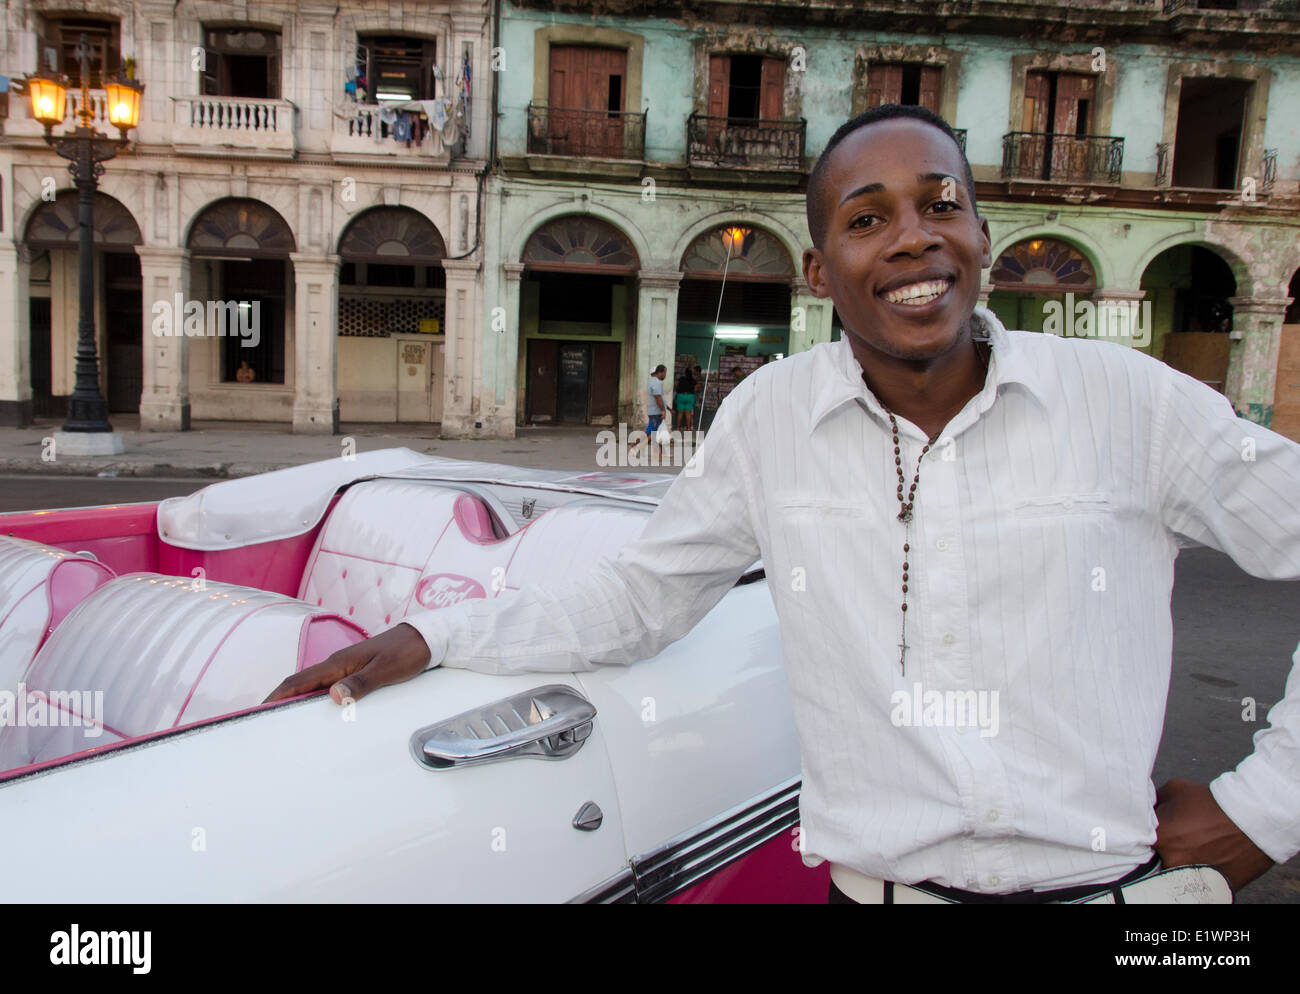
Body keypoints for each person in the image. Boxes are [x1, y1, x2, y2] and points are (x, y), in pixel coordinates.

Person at [268, 104, 1300, 904]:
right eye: (866, 218)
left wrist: (1267, 808)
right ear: (818, 268)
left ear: (982, 233)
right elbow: (636, 601)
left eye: (939, 204)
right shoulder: (768, 418)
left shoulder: (1124, 400)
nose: (910, 238)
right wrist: (431, 635)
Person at [674, 366, 696, 431]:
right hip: (690, 396)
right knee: (688, 413)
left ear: (685, 373)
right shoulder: (693, 380)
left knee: (680, 413)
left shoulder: (681, 378)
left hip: (681, 396)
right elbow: (695, 388)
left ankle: (678, 427)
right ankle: (688, 428)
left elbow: (676, 385)